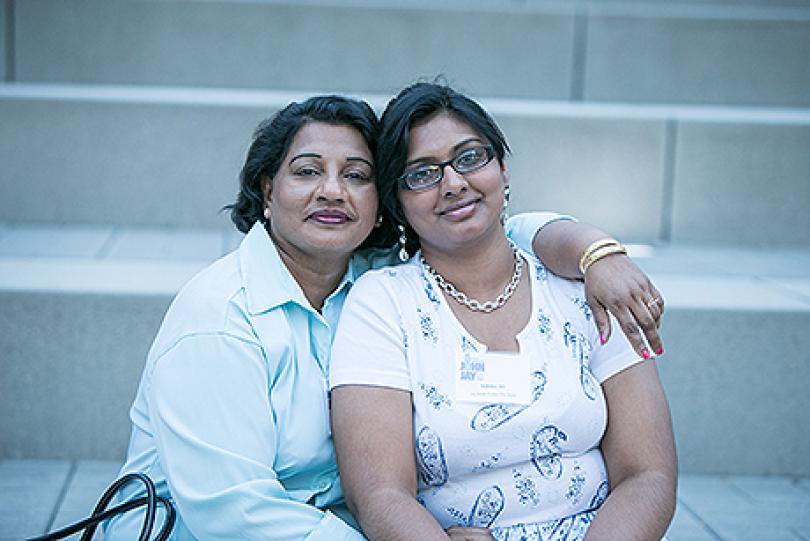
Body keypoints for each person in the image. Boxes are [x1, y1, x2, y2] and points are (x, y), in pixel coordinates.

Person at [104, 94, 665, 540]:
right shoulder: (219, 316)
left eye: (355, 174)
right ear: (266, 190)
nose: (332, 190)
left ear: (381, 201)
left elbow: (489, 230)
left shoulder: (368, 274)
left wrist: (594, 251)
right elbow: (234, 513)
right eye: (306, 172)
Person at [329, 83, 676, 541]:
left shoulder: (580, 287)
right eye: (421, 174)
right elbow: (380, 495)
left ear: (503, 169)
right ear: (397, 202)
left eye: (470, 157)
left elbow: (648, 473)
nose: (453, 183)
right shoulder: (382, 304)